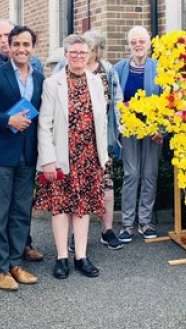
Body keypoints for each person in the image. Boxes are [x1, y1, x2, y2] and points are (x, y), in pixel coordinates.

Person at [0, 25, 44, 292]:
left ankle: (15, 262)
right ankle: (1, 268)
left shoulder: (39, 78)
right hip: (0, 155)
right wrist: (7, 120)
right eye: (16, 44)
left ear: (33, 48)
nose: (21, 49)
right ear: (10, 46)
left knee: (20, 211)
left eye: (26, 44)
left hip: (27, 155)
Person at [35, 35, 109, 279]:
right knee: (60, 207)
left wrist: (103, 155)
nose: (78, 56)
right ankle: (61, 258)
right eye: (74, 52)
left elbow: (102, 121)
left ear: (89, 55)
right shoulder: (52, 83)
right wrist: (47, 159)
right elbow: (44, 124)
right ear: (66, 55)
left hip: (88, 156)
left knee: (82, 207)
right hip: (61, 156)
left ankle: (81, 256)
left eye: (83, 53)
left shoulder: (96, 82)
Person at [54, 29, 124, 250]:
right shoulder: (63, 68)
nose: (86, 53)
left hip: (101, 138)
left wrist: (118, 127)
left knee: (106, 184)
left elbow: (117, 99)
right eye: (83, 48)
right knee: (76, 187)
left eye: (91, 49)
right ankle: (76, 237)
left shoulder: (107, 69)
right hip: (72, 138)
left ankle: (107, 230)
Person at [114, 26, 163, 242]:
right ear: (129, 44)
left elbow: (168, 101)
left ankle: (145, 221)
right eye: (133, 41)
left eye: (141, 41)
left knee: (150, 173)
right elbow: (114, 101)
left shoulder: (160, 68)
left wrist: (161, 128)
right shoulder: (119, 68)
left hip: (153, 130)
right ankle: (127, 224)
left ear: (149, 43)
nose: (137, 45)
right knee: (131, 174)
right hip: (129, 129)